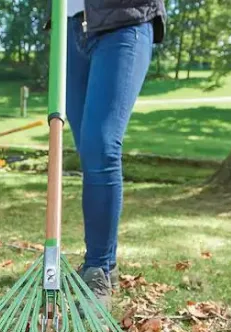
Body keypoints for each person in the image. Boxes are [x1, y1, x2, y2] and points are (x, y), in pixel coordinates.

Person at [60, 0, 166, 310]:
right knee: (89, 152)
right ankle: (106, 265)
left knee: (101, 145)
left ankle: (99, 269)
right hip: (69, 27)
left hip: (123, 20)